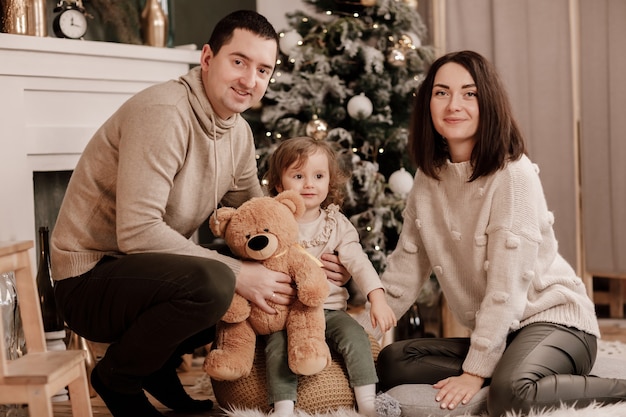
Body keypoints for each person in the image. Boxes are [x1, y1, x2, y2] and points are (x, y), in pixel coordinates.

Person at [50, 10, 349, 417]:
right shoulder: (165, 113)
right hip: (89, 281)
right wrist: (239, 274)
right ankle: (117, 377)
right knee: (217, 282)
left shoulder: (239, 131)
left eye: (263, 69)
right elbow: (137, 232)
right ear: (208, 58)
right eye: (239, 62)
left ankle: (155, 368)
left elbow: (266, 224)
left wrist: (313, 261)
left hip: (147, 276)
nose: (250, 80)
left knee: (259, 290)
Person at [354, 50, 626, 417]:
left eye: (470, 94)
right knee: (392, 363)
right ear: (428, 104)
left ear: (489, 103)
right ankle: (506, 367)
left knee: (511, 394)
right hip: (505, 332)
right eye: (441, 92)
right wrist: (356, 339)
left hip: (556, 322)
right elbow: (405, 270)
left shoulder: (513, 175)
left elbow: (505, 290)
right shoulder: (427, 178)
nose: (454, 105)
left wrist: (473, 372)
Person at [263, 136, 397, 417]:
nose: (309, 184)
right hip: (287, 312)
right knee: (277, 347)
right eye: (298, 176)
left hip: (330, 310)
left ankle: (368, 403)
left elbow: (359, 263)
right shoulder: (273, 222)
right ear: (279, 185)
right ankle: (283, 407)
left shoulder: (336, 224)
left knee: (356, 338)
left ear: (329, 182)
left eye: (318, 176)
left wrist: (378, 298)